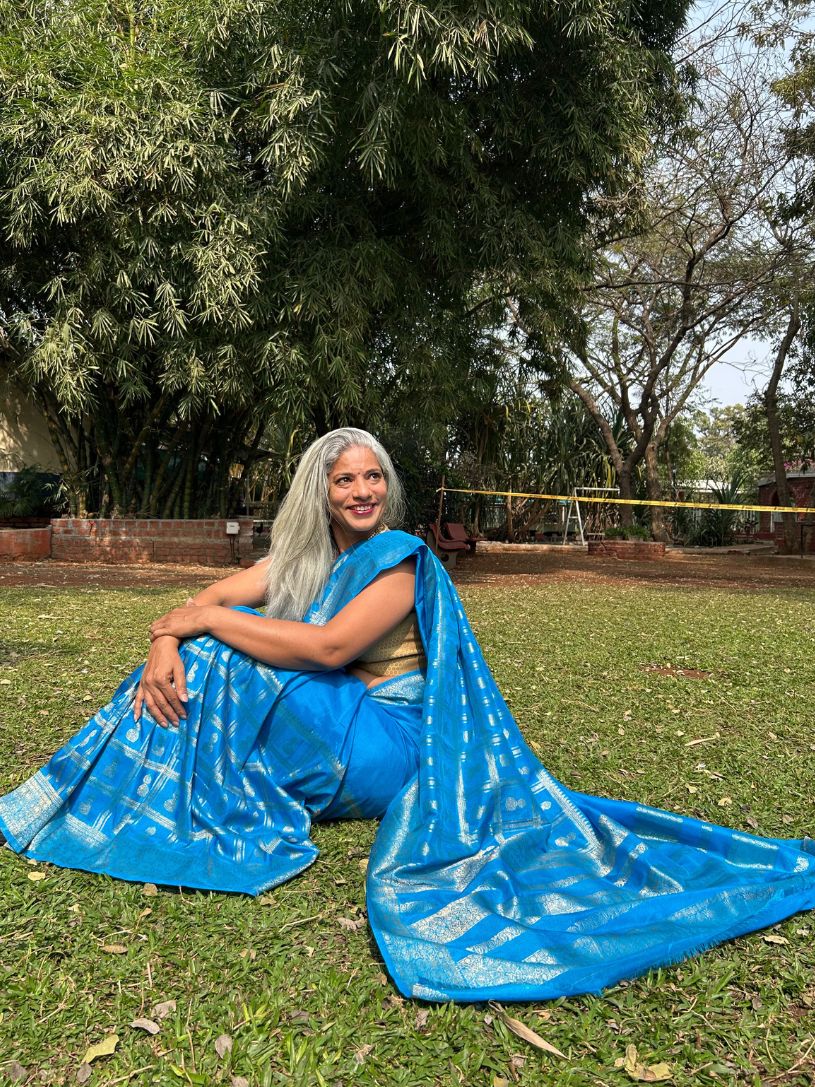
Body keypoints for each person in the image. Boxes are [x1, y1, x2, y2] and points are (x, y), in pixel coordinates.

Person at [2, 427, 815, 1005]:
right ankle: (154, 802)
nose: (361, 491)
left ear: (386, 486)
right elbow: (208, 596)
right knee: (207, 651)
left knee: (225, 650)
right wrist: (161, 637)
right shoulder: (310, 559)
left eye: (372, 477)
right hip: (343, 721)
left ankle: (149, 801)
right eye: (343, 479)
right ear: (319, 491)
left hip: (394, 741)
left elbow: (324, 649)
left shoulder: (398, 558)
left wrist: (198, 625)